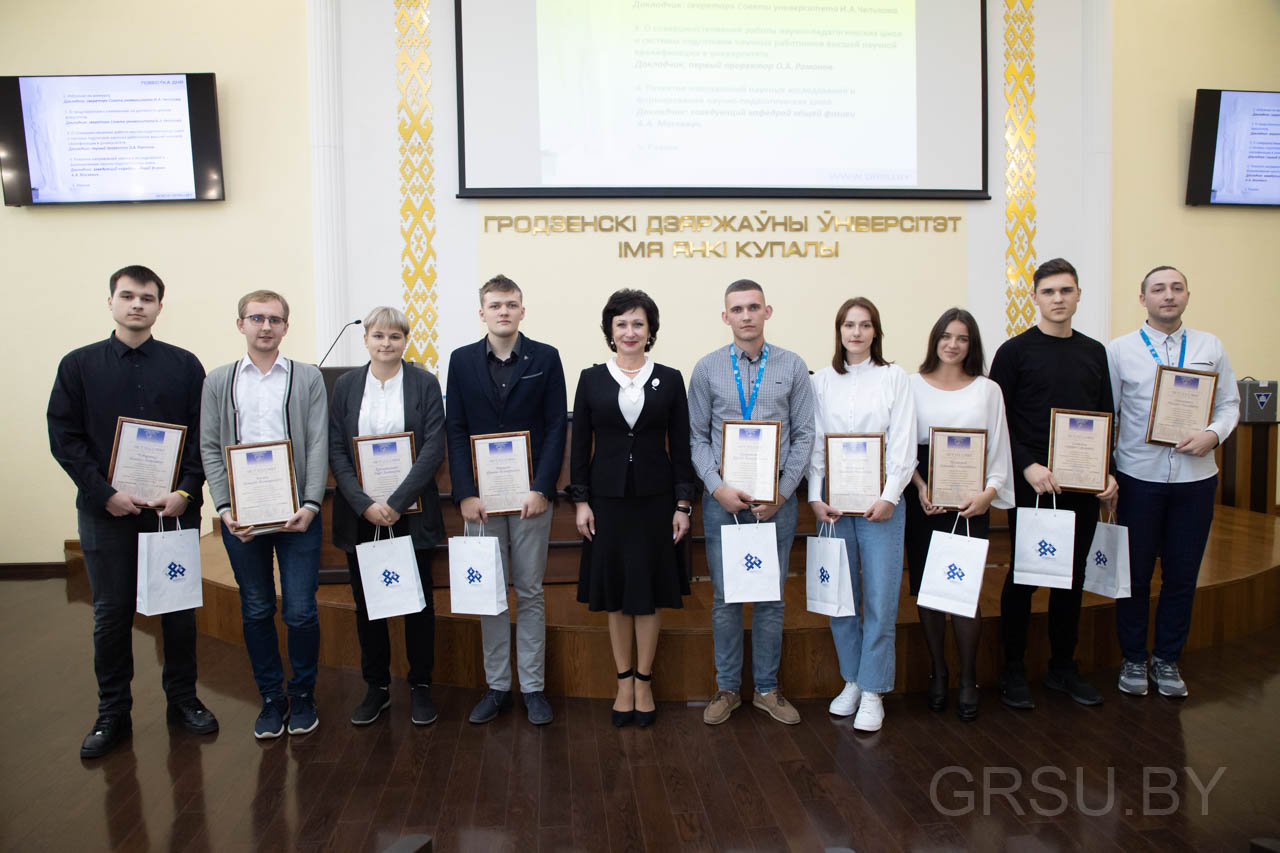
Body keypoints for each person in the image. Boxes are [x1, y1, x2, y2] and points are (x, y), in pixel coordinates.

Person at [48, 265, 218, 759]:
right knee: (111, 612)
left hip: (172, 510)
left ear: (160, 306)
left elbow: (201, 434)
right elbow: (65, 438)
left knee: (178, 610)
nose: (137, 305)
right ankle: (112, 712)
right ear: (111, 303)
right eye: (128, 296)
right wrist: (105, 493)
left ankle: (183, 700)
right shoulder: (78, 365)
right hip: (108, 513)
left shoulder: (185, 365)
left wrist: (186, 491)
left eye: (147, 298)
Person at [990, 258, 1118, 709]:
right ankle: (1012, 670)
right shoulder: (1014, 352)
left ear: (1078, 295)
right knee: (1025, 577)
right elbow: (998, 420)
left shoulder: (1094, 352)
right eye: (1049, 291)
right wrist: (1025, 465)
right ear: (1035, 297)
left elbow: (1106, 417)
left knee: (1071, 577)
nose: (1058, 299)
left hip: (1081, 486)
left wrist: (1107, 472)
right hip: (1033, 484)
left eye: (1066, 290)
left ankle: (1064, 667)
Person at [200, 290, 329, 738]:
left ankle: (303, 694)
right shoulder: (218, 381)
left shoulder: (307, 378)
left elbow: (317, 443)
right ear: (241, 325)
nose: (266, 326)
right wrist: (224, 507)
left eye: (275, 319)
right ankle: (272, 699)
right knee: (256, 609)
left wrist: (311, 504)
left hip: (297, 517)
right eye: (256, 318)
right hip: (243, 519)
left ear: (286, 327)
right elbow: (211, 448)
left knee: (300, 612)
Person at [1107, 265, 1238, 698]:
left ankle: (1166, 659)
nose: (1169, 295)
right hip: (1138, 477)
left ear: (1187, 295)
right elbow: (1109, 413)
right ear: (1142, 299)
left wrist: (1213, 435)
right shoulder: (1121, 350)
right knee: (1135, 575)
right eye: (1158, 289)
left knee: (1182, 575)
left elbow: (1229, 404)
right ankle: (1132, 658)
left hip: (1195, 480)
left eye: (1176, 288)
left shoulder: (1210, 346)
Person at [689, 279, 815, 726]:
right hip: (723, 504)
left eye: (753, 307)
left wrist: (782, 493)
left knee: (770, 599)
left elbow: (803, 436)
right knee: (725, 599)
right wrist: (716, 486)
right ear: (725, 317)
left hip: (775, 505)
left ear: (768, 312)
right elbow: (697, 438)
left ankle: (765, 688)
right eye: (737, 309)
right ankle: (727, 689)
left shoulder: (793, 366)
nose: (746, 316)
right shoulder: (706, 369)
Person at [445, 274, 567, 726]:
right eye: (495, 305)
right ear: (482, 312)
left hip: (531, 498)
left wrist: (542, 487)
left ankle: (532, 687)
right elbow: (455, 430)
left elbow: (557, 427)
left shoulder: (546, 358)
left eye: (511, 304)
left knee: (530, 591)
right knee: (489, 593)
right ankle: (497, 685)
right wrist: (464, 493)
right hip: (480, 501)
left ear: (522, 310)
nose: (503, 311)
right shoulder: (460, 362)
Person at [571, 289, 695, 728]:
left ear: (650, 331)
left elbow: (682, 446)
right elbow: (579, 444)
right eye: (621, 323)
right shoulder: (590, 379)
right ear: (610, 330)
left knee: (649, 593)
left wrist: (683, 504)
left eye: (638, 324)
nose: (629, 331)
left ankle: (645, 681)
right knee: (616, 595)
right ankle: (623, 681)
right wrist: (581, 499)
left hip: (656, 501)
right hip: (606, 502)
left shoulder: (671, 378)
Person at [329, 306, 447, 725]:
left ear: (405, 341)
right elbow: (336, 449)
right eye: (378, 336)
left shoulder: (424, 383)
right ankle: (376, 686)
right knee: (367, 603)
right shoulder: (345, 386)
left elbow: (434, 445)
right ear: (365, 340)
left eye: (394, 336)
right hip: (360, 513)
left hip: (410, 512)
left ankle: (420, 686)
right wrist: (364, 502)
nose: (386, 343)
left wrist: (396, 501)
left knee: (418, 603)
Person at [807, 297, 917, 732]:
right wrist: (816, 497)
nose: (856, 333)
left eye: (865, 325)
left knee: (881, 599)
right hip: (833, 507)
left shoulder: (895, 378)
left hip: (881, 507)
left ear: (876, 331)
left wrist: (890, 495)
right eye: (848, 325)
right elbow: (816, 443)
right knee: (840, 599)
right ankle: (851, 679)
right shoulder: (822, 381)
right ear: (839, 331)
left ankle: (874, 691)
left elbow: (904, 443)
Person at [903, 308, 1014, 722]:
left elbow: (999, 451)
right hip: (926, 501)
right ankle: (938, 671)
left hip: (971, 503)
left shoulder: (987, 390)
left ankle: (968, 678)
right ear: (935, 340)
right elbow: (903, 448)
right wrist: (919, 487)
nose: (953, 344)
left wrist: (987, 495)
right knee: (929, 593)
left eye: (962, 338)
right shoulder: (911, 386)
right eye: (946, 336)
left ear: (972, 345)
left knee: (963, 594)